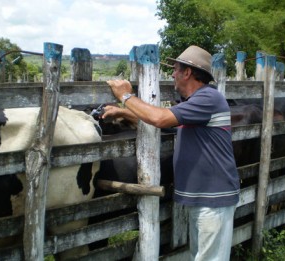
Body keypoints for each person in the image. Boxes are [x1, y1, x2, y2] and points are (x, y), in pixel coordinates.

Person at [103, 45, 240, 261]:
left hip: (213, 199)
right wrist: (122, 112)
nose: (173, 75)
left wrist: (125, 95)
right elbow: (168, 124)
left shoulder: (208, 99)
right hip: (204, 198)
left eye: (176, 69)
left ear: (188, 72)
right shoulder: (195, 104)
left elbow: (160, 118)